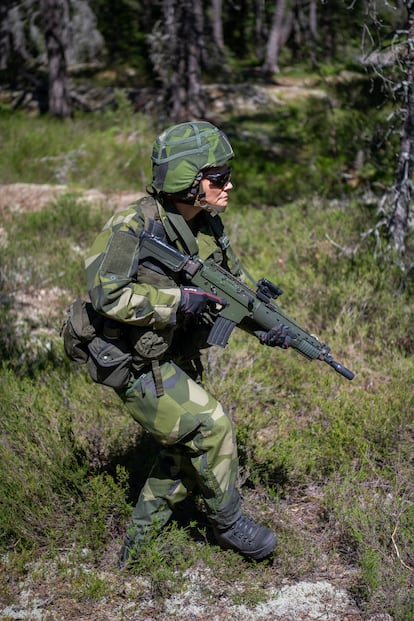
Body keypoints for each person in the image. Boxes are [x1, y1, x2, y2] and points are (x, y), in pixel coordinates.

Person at [85, 121, 290, 566]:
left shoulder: (209, 225)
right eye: (218, 177)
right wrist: (179, 301)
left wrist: (265, 328)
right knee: (211, 427)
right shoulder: (132, 225)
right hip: (134, 360)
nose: (228, 184)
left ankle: (134, 554)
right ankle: (230, 524)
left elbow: (234, 292)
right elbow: (106, 295)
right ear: (188, 180)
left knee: (182, 454)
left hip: (172, 353)